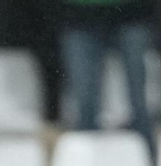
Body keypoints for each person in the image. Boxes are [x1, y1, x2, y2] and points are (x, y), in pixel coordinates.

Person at [60, 0, 155, 153]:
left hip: (131, 14)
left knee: (140, 105)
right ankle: (85, 163)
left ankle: (149, 164)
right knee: (85, 106)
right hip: (80, 17)